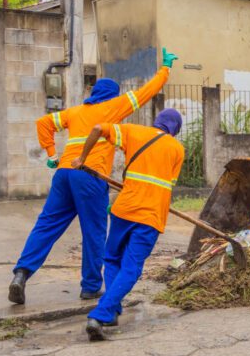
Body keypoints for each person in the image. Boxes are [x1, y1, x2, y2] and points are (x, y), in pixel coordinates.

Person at [8, 48, 179, 305]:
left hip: (64, 174)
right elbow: (147, 92)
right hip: (90, 176)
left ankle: (21, 273)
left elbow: (43, 123)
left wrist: (53, 154)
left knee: (46, 225)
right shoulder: (113, 106)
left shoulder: (75, 112)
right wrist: (165, 69)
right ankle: (90, 287)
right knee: (95, 231)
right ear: (112, 95)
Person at [70, 109, 185, 341]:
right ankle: (100, 314)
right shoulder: (177, 149)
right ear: (175, 130)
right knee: (131, 267)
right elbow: (167, 183)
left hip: (123, 210)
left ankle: (112, 310)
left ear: (157, 121)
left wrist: (82, 158)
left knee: (112, 259)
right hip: (150, 217)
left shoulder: (134, 132)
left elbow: (96, 129)